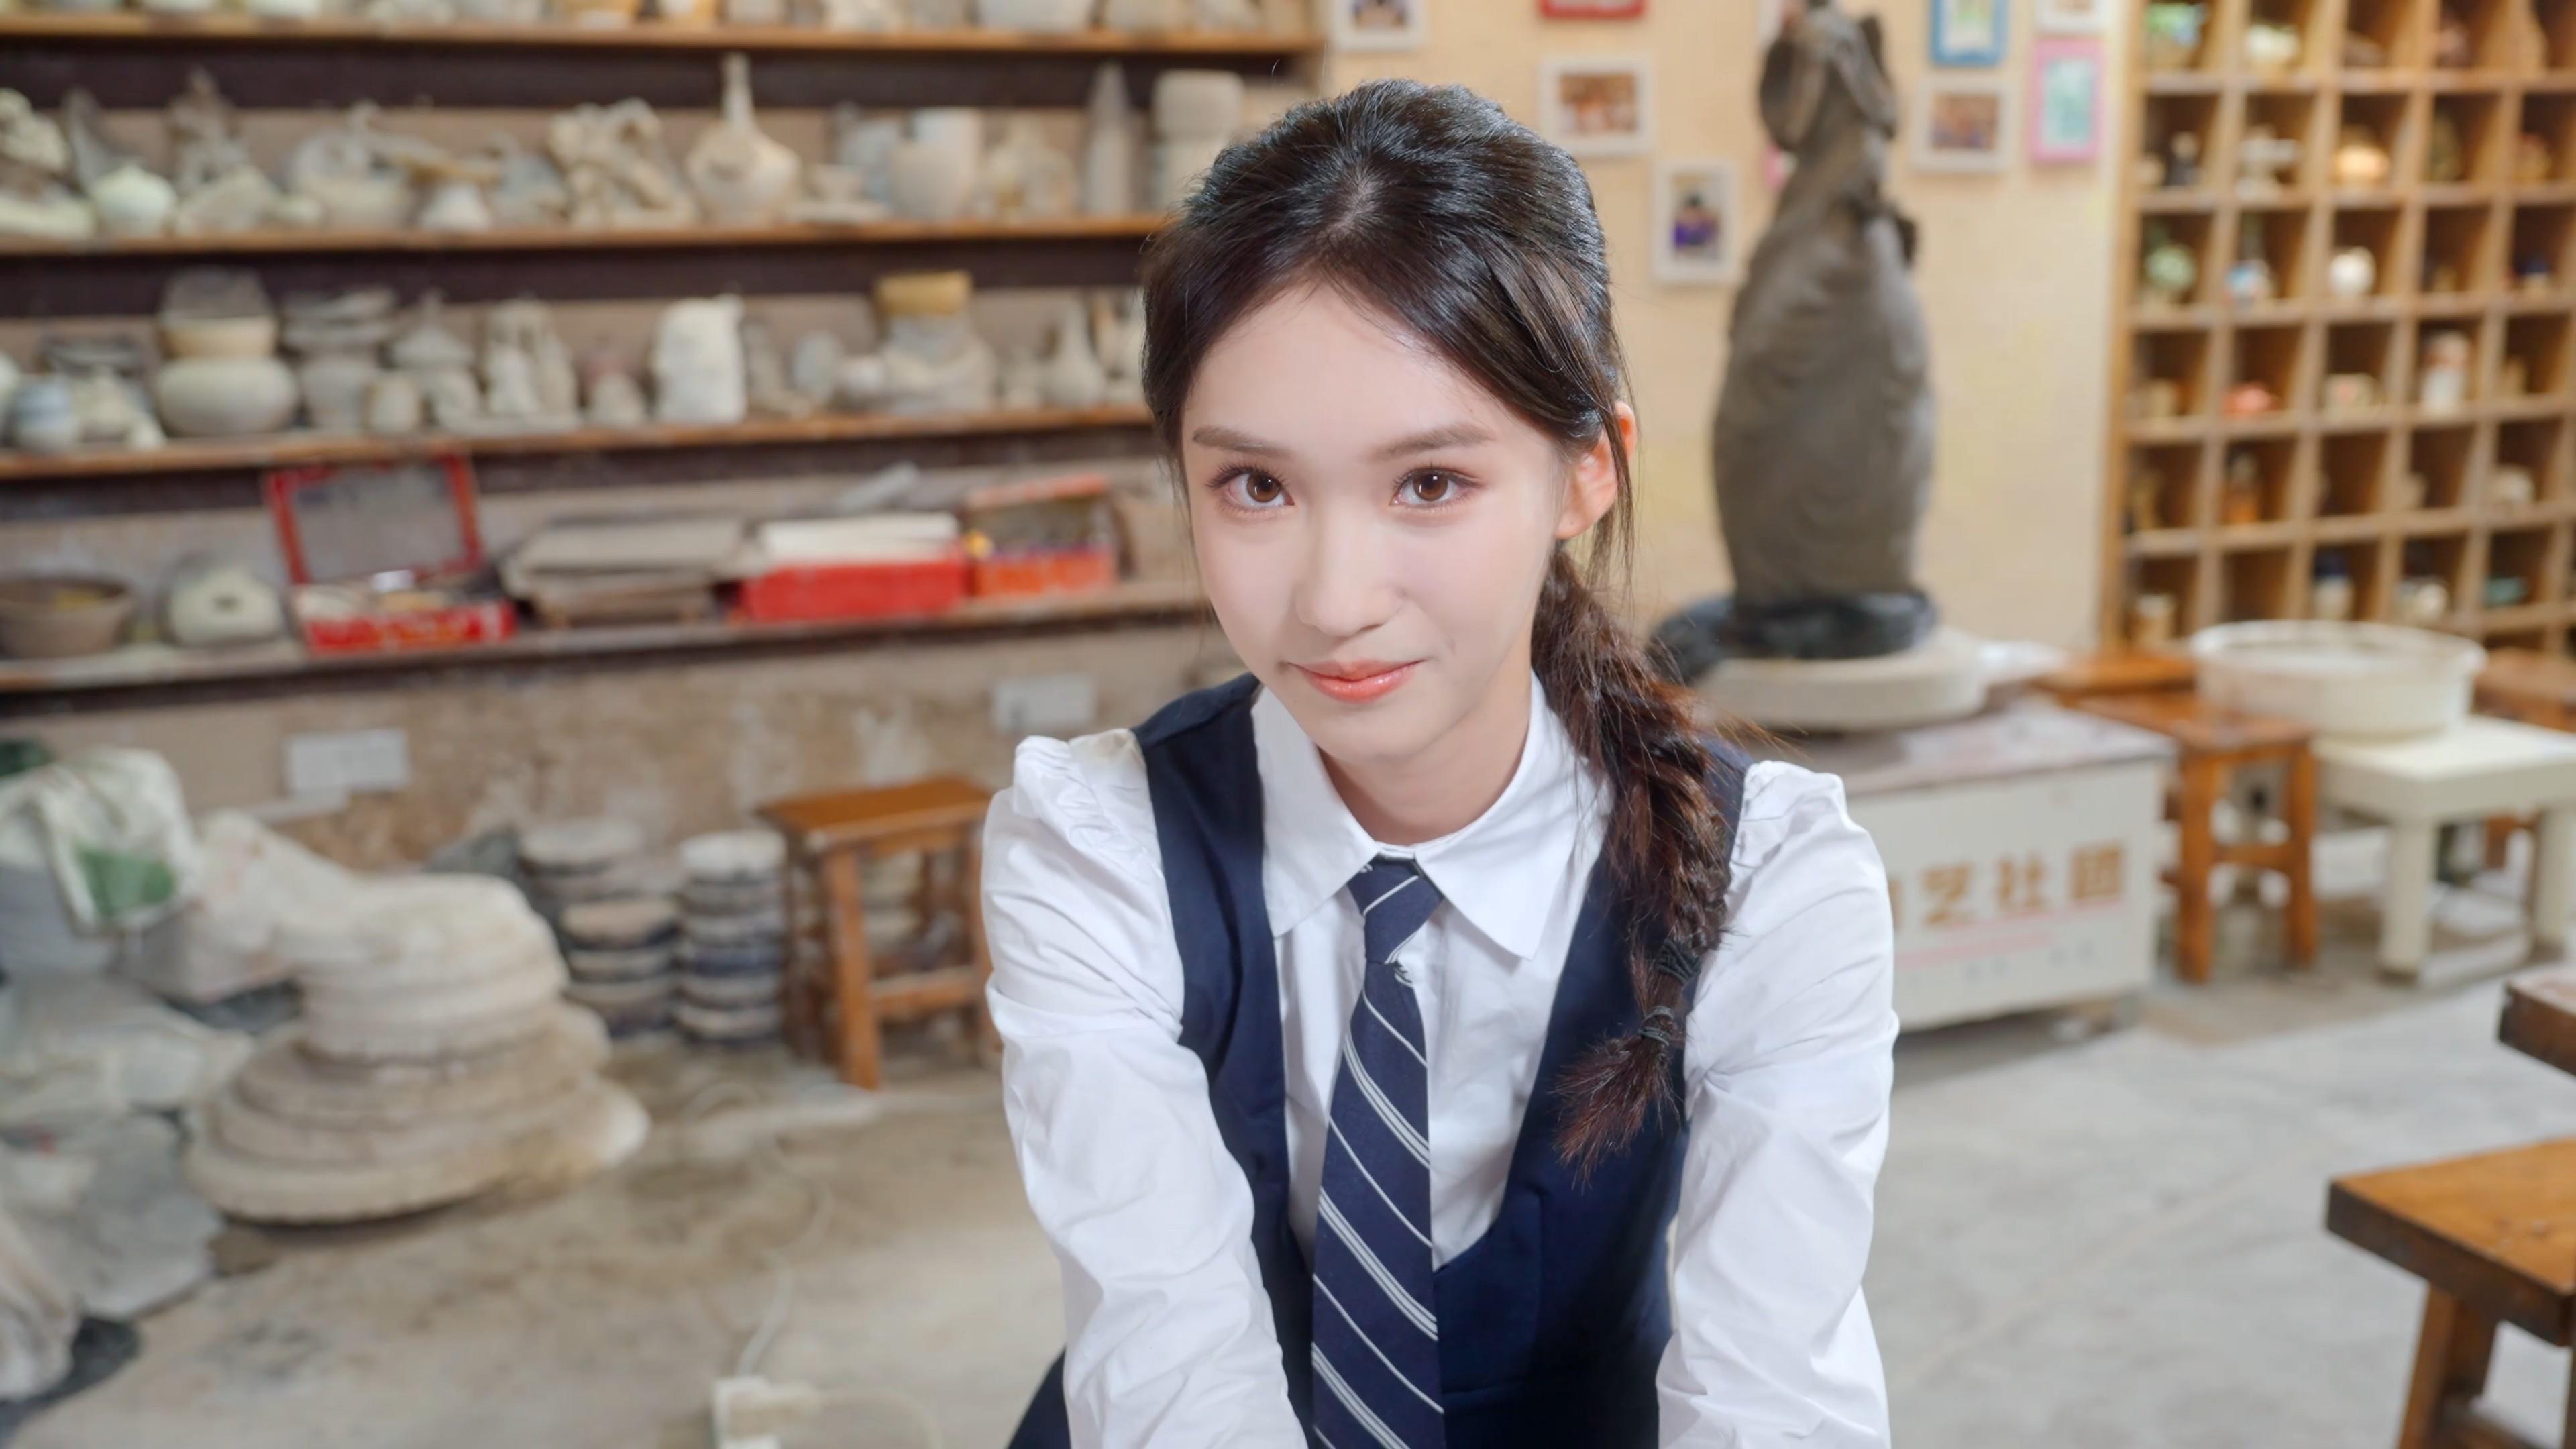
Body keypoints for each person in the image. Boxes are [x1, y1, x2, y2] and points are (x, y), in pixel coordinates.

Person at [982, 79, 1896, 1449]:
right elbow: (1172, 1365)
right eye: (1256, 487)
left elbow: (1774, 1402)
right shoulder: (1099, 844)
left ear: (1586, 471)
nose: (1335, 600)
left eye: (1430, 484)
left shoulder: (1773, 878)